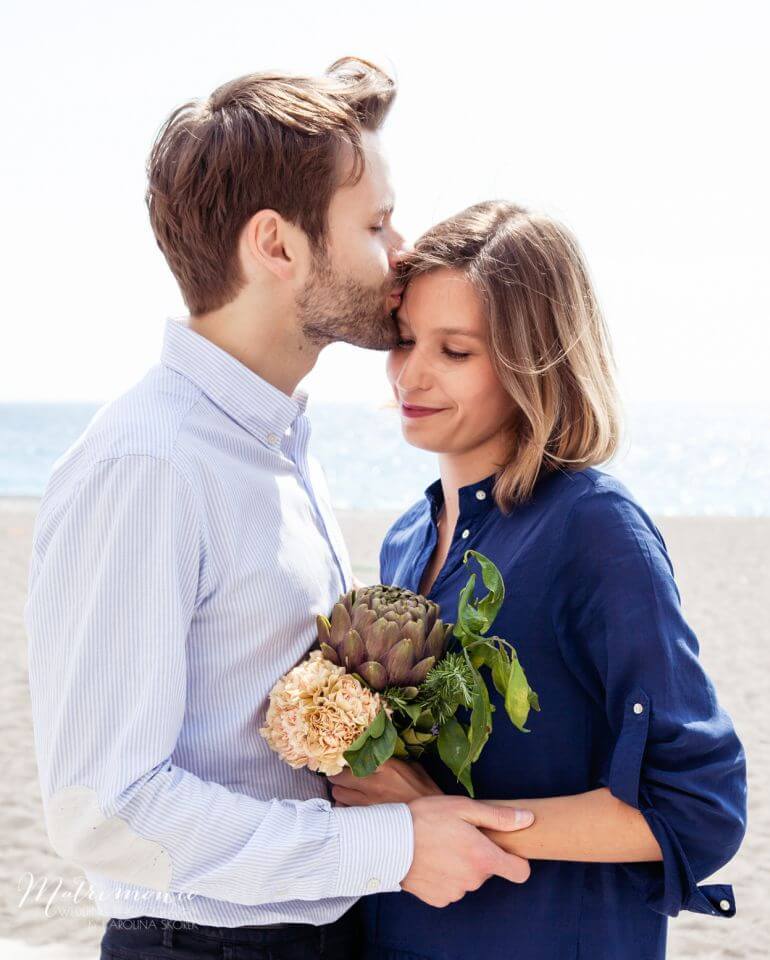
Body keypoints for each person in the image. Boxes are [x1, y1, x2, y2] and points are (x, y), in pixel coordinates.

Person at [23, 65, 536, 960]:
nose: (402, 251)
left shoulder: (275, 439)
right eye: (375, 224)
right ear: (277, 245)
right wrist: (390, 847)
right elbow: (106, 809)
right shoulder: (150, 465)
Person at [327, 200, 748, 960]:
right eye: (405, 340)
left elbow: (696, 808)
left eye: (456, 351)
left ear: (533, 362)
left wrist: (450, 820)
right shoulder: (407, 538)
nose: (412, 374)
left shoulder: (595, 529)